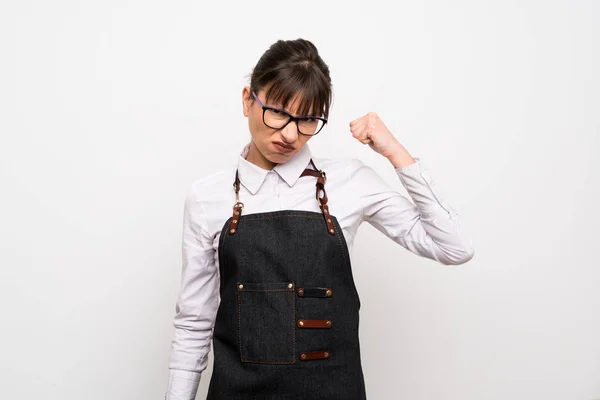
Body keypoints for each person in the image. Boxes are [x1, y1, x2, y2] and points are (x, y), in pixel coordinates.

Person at [165, 38, 474, 400]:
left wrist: (394, 151)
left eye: (308, 119)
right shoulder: (207, 197)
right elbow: (194, 323)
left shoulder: (350, 183)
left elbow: (454, 247)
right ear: (248, 99)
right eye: (278, 112)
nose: (291, 134)